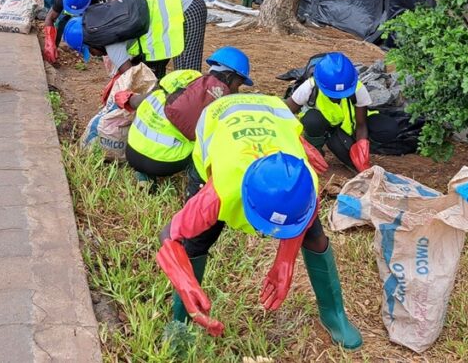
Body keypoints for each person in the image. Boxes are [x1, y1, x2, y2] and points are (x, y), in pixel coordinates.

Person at [155, 93, 362, 349]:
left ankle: (334, 314)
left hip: (272, 114)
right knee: (196, 242)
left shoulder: (304, 182)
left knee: (315, 236)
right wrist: (184, 282)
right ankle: (181, 323)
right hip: (219, 117)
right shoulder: (219, 192)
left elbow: (304, 221)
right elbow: (169, 235)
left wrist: (284, 261)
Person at [119, 47, 253, 184]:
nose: (237, 90)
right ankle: (195, 181)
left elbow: (139, 101)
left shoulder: (182, 77)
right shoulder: (221, 103)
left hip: (132, 153)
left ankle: (144, 177)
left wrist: (126, 98)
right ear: (229, 77)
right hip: (166, 163)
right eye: (238, 84)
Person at [91, 0, 207, 80]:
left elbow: (132, 78)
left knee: (186, 77)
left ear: (91, 42)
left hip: (187, 8)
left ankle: (192, 107)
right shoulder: (108, 25)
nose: (95, 56)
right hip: (174, 12)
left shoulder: (111, 44)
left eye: (91, 52)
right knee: (155, 73)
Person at [285, 52, 373, 172]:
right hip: (318, 126)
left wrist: (361, 145)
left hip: (340, 130)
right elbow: (283, 114)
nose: (336, 98)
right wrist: (300, 144)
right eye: (331, 93)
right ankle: (315, 148)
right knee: (312, 120)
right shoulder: (310, 87)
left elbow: (361, 124)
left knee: (352, 161)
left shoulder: (357, 88)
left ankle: (338, 144)